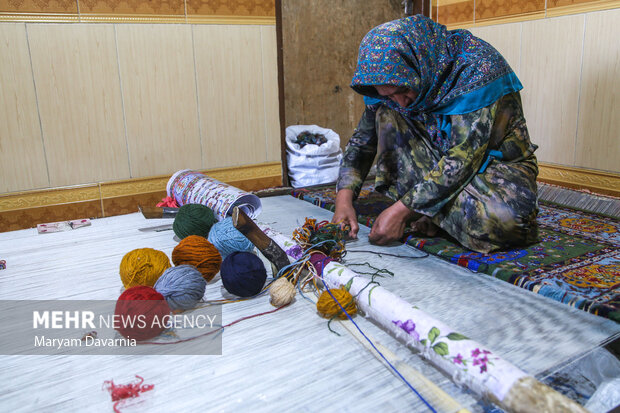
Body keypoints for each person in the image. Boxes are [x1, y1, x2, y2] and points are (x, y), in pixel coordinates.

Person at [332, 15, 539, 253]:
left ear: (418, 63)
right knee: (386, 115)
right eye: (389, 95)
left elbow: (462, 160)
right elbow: (362, 142)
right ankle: (432, 210)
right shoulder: (389, 93)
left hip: (494, 169)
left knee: (504, 224)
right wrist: (344, 200)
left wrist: (402, 211)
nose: (400, 101)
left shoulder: (476, 69)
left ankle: (429, 211)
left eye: (403, 89)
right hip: (437, 164)